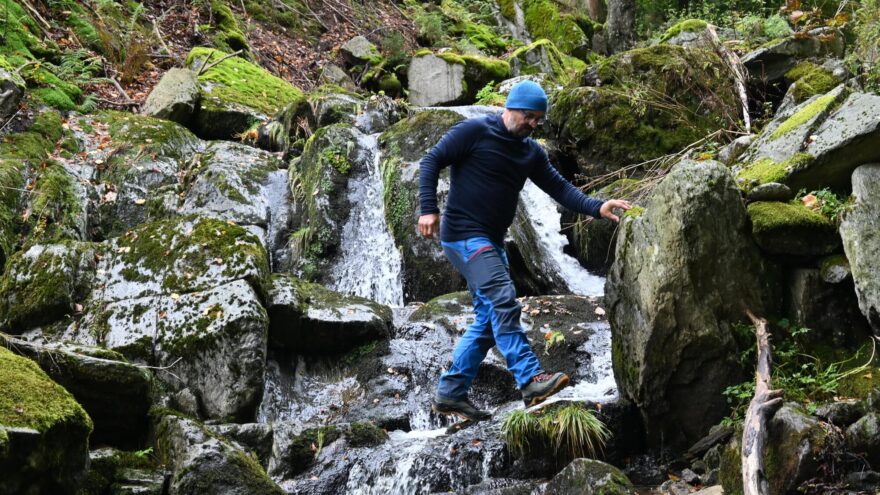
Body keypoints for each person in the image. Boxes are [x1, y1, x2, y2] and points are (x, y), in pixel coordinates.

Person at [417, 80, 632, 422]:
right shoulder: (474, 130)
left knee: (488, 320)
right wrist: (428, 208)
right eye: (529, 117)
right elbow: (431, 161)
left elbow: (560, 188)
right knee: (503, 298)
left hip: (491, 240)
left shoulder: (530, 152)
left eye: (539, 120)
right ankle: (530, 379)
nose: (533, 125)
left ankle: (451, 392)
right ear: (511, 108)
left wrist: (597, 206)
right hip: (463, 236)